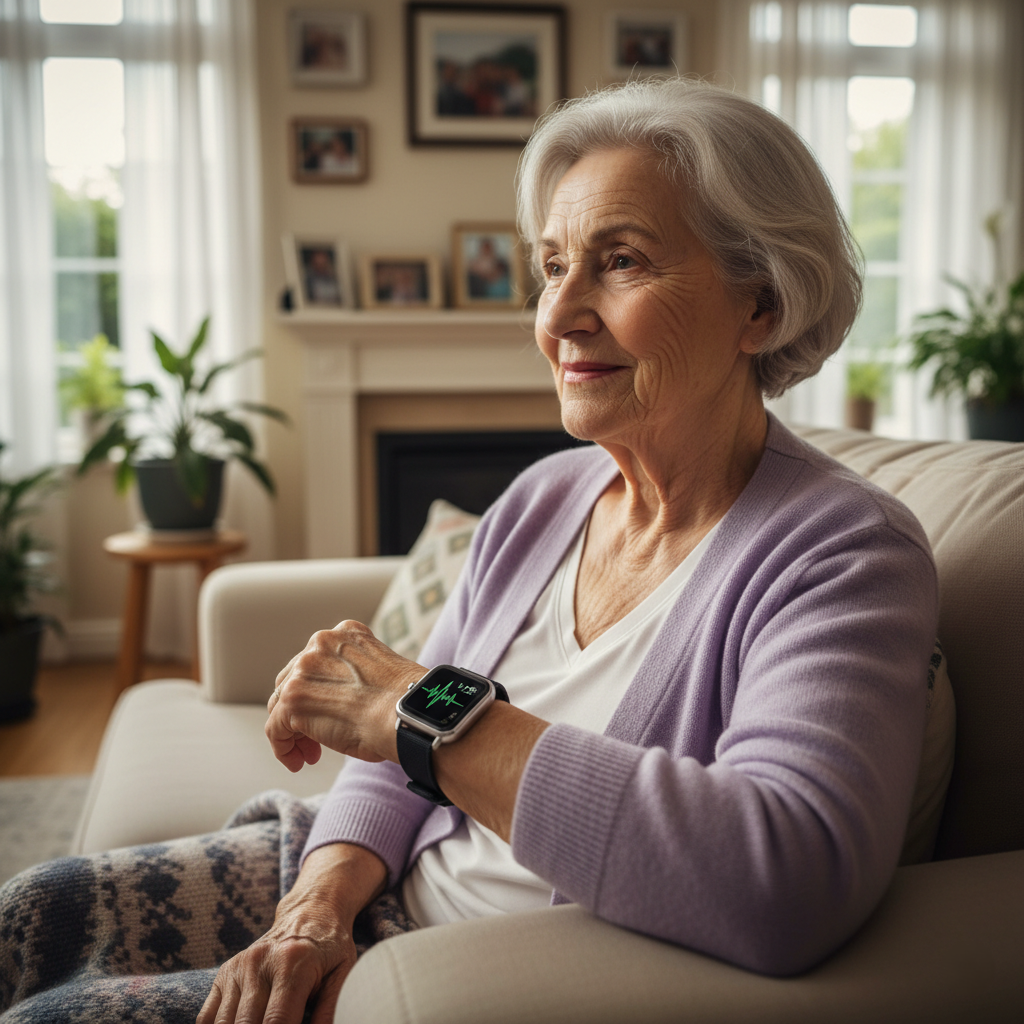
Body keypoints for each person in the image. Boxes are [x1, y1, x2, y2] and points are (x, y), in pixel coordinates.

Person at [0, 78, 939, 1024]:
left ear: (762, 307)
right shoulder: (545, 500)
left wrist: (419, 715)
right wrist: (315, 908)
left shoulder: (843, 554)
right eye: (553, 265)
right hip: (364, 884)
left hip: (465, 972)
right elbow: (398, 752)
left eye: (620, 262)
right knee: (28, 914)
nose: (559, 315)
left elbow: (785, 875)